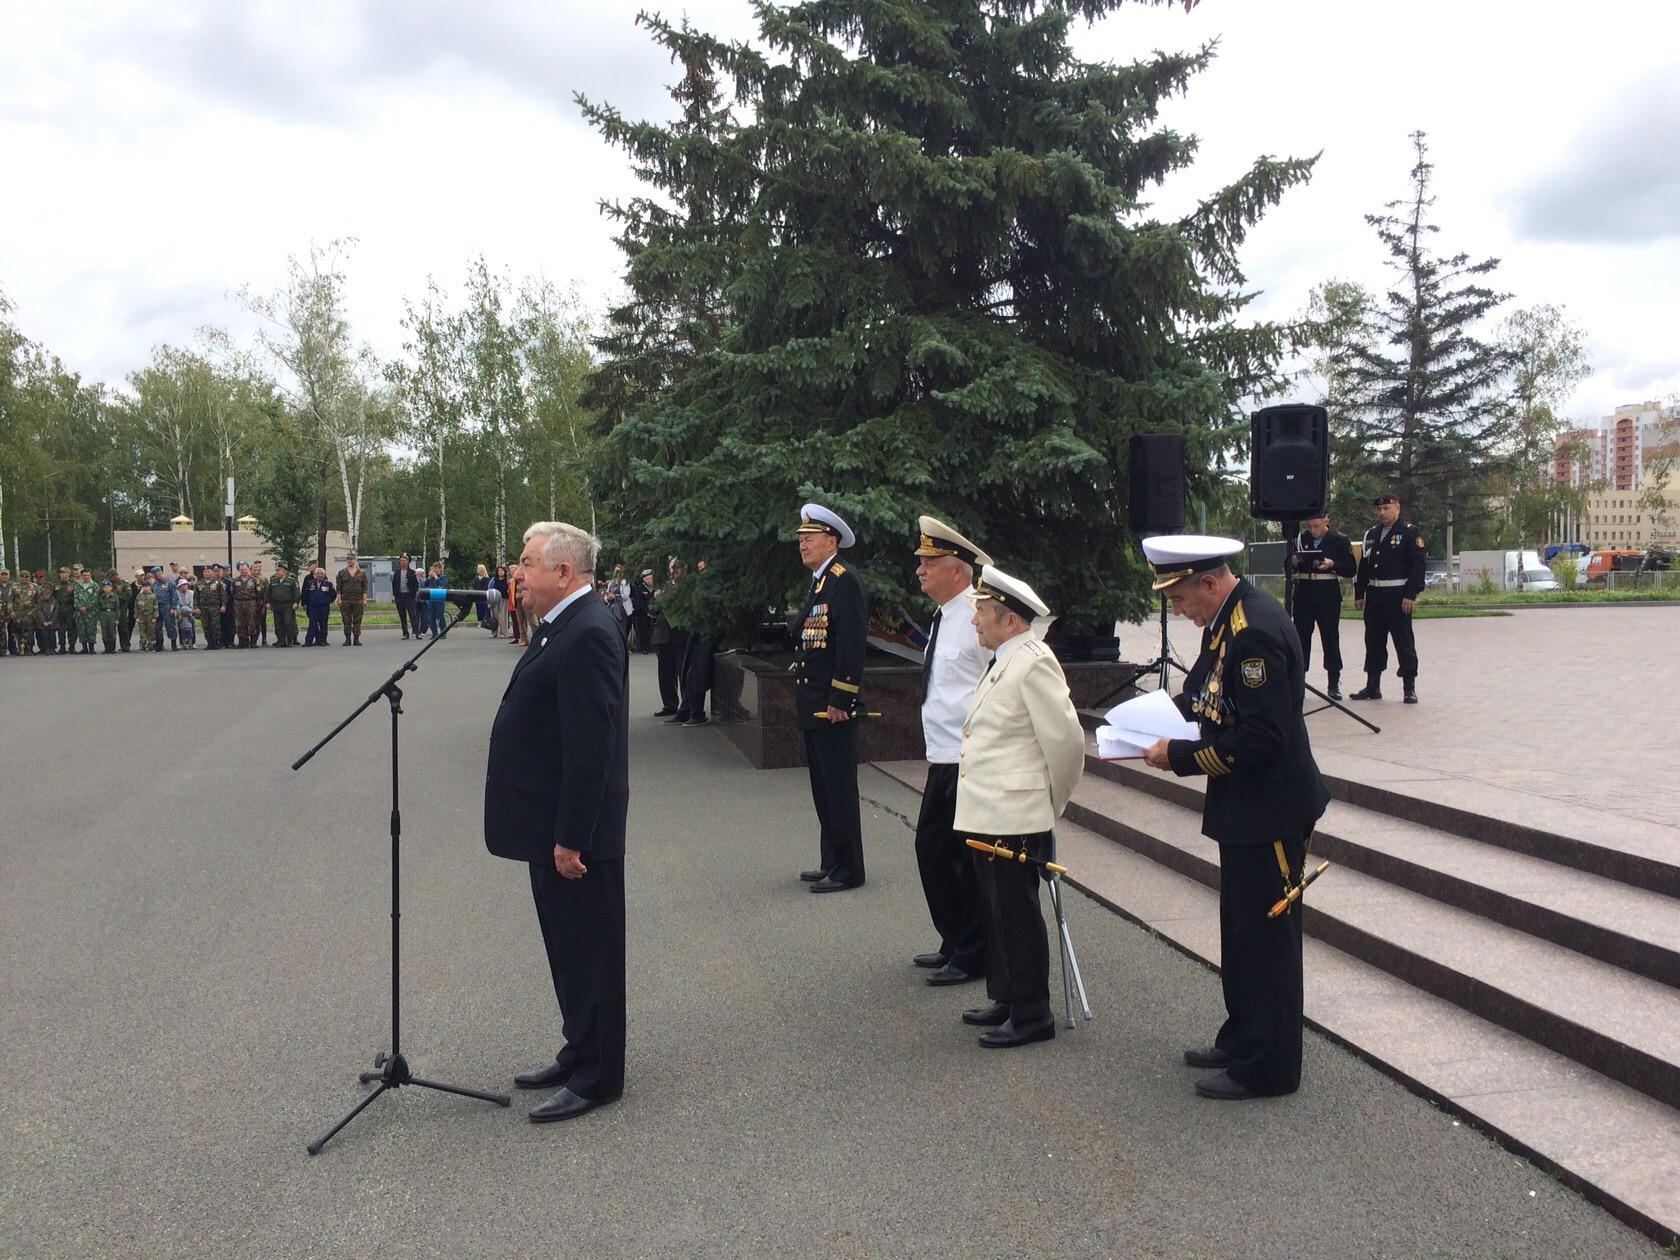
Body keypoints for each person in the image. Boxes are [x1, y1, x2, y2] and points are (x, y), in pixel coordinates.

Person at [1140, 535, 1329, 1100]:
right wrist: (1143, 723)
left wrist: (1175, 756)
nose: (1176, 609)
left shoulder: (1253, 631)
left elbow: (1263, 738)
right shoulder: (1227, 621)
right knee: (1242, 930)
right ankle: (1244, 1035)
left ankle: (1268, 1068)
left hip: (1270, 807)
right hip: (1246, 805)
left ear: (1208, 581)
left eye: (1176, 596)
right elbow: (1201, 693)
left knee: (1266, 937)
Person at [486, 520, 629, 1124]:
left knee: (590, 950)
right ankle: (578, 1050)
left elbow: (591, 749)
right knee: (566, 947)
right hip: (549, 827)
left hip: (576, 835)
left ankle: (598, 1076)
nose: (517, 572)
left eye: (526, 562)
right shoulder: (559, 626)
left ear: (563, 572)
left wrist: (572, 837)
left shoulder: (589, 631)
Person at [954, 566, 1085, 1048]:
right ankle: (1007, 996)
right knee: (996, 909)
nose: (975, 622)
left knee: (1017, 913)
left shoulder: (1033, 661)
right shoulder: (1005, 659)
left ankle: (1032, 1014)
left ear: (1010, 620)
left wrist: (1050, 805)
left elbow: (1067, 743)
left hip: (1014, 812)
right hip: (989, 810)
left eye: (983, 613)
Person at [910, 517, 996, 987]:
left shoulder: (978, 615)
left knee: (952, 855)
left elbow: (1000, 676)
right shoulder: (945, 614)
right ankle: (956, 939)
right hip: (942, 755)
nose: (919, 571)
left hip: (966, 757)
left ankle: (972, 950)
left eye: (929, 563)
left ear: (958, 571)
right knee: (936, 850)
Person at [791, 504, 869, 893]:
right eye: (801, 537)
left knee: (838, 786)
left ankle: (849, 868)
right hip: (815, 700)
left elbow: (851, 644)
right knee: (823, 787)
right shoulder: (821, 582)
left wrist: (842, 696)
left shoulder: (844, 580)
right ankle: (831, 860)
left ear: (831, 541)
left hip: (832, 705)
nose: (802, 543)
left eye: (810, 537)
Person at [1351, 493, 1427, 704]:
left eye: (1386, 509)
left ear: (1397, 508)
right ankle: (1373, 686)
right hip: (1375, 596)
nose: (1382, 513)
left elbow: (1417, 567)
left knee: (1403, 641)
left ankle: (1409, 687)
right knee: (1373, 641)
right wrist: (1359, 592)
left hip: (1398, 596)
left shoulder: (1409, 533)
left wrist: (1410, 594)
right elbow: (1364, 566)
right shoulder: (1373, 534)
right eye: (1379, 510)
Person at [1290, 512, 1357, 699]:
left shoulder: (1339, 540)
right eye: (1310, 526)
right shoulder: (1299, 539)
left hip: (1327, 595)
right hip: (1304, 595)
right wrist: (1293, 562)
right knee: (1301, 640)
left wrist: (1332, 564)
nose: (1313, 530)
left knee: (1330, 639)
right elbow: (1286, 565)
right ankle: (1298, 682)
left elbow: (1351, 569)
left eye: (1316, 526)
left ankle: (1333, 683)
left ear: (1326, 520)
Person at [652, 562, 689, 719]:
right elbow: (651, 608)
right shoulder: (663, 587)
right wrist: (657, 600)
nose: (675, 571)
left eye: (679, 567)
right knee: (665, 673)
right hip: (663, 635)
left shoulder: (688, 587)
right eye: (673, 568)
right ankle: (669, 704)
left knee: (683, 672)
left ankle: (687, 706)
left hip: (680, 636)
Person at [337, 554, 368, 646]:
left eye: (351, 559)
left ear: (355, 560)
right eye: (348, 560)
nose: (350, 561)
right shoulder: (342, 573)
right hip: (345, 600)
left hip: (358, 600)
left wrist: (365, 600)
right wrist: (339, 599)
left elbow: (365, 588)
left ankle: (356, 639)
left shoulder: (362, 573)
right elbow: (339, 588)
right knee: (346, 620)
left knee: (357, 620)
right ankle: (347, 639)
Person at [303, 564, 336, 647]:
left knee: (323, 624)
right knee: (312, 624)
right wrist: (306, 603)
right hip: (313, 607)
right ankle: (308, 641)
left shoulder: (328, 584)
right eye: (318, 573)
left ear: (324, 575)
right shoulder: (310, 583)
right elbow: (306, 594)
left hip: (324, 607)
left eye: (321, 573)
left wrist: (327, 601)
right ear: (315, 575)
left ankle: (323, 641)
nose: (320, 575)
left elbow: (333, 595)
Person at [268, 562, 299, 646]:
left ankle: (289, 640)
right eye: (276, 570)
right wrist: (268, 602)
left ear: (284, 571)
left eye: (278, 570)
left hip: (288, 605)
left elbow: (296, 592)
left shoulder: (291, 581)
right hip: (276, 605)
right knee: (278, 623)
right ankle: (281, 640)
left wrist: (296, 602)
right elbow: (268, 593)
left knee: (288, 622)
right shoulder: (273, 581)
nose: (277, 572)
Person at [194, 567, 224, 650]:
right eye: (205, 572)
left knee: (215, 626)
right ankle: (209, 643)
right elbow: (196, 597)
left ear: (212, 572)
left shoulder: (217, 583)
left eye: (208, 571)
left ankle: (216, 643)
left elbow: (223, 595)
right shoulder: (199, 583)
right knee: (206, 625)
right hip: (203, 608)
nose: (207, 573)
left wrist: (223, 605)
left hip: (214, 608)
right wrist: (196, 607)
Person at [232, 561, 260, 647]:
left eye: (245, 569)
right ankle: (242, 641)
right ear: (239, 570)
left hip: (250, 603)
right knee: (240, 623)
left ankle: (253, 641)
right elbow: (232, 592)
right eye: (241, 569)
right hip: (239, 603)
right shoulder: (235, 580)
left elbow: (258, 593)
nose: (243, 571)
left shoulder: (254, 580)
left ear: (248, 569)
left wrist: (257, 605)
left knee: (252, 622)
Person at [393, 553, 420, 640]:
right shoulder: (396, 572)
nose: (402, 562)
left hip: (409, 596)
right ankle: (405, 633)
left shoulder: (412, 572)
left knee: (413, 615)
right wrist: (396, 595)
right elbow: (394, 584)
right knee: (402, 616)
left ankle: (416, 633)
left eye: (404, 560)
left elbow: (416, 585)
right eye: (401, 560)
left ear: (408, 562)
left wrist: (414, 594)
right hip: (399, 596)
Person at [151, 570, 180, 652]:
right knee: (157, 627)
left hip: (167, 606)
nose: (159, 575)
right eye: (157, 574)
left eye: (160, 573)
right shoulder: (154, 584)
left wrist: (173, 607)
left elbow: (175, 595)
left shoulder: (169, 582)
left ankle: (174, 645)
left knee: (170, 625)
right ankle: (159, 645)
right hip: (157, 607)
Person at [629, 570, 654, 653]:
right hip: (643, 612)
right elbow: (639, 601)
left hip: (654, 611)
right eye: (647, 579)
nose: (649, 580)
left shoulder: (654, 588)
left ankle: (651, 646)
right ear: (644, 580)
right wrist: (646, 611)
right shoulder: (640, 588)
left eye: (650, 578)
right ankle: (644, 647)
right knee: (644, 630)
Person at [423, 562, 448, 639]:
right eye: (434, 568)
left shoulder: (443, 576)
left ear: (440, 569)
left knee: (440, 616)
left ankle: (443, 633)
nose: (435, 570)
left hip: (440, 598)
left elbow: (441, 585)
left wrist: (436, 577)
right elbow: (425, 584)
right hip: (431, 598)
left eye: (436, 568)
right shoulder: (431, 578)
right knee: (431, 616)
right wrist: (428, 577)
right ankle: (434, 633)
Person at [96, 579, 121, 653]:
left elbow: (117, 608)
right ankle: (106, 648)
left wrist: (117, 618)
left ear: (111, 588)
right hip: (103, 614)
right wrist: (98, 618)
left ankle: (112, 648)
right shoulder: (101, 597)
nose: (106, 588)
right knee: (105, 631)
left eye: (108, 587)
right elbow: (98, 607)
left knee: (112, 631)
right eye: (105, 587)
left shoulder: (114, 596)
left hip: (112, 614)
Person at [134, 578, 157, 653]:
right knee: (142, 631)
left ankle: (151, 645)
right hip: (141, 616)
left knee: (151, 631)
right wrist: (136, 617)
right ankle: (143, 645)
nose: (145, 588)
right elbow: (136, 607)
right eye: (144, 586)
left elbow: (155, 607)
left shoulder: (153, 596)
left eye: (147, 586)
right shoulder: (139, 596)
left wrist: (154, 617)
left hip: (150, 616)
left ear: (150, 587)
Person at [251, 560, 270, 646]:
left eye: (259, 567)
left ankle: (264, 639)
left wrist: (266, 603)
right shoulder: (250, 578)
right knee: (253, 621)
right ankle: (253, 639)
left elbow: (267, 591)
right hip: (251, 602)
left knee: (262, 621)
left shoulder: (264, 578)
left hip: (261, 601)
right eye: (255, 567)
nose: (257, 569)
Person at [490, 564, 511, 638]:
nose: (501, 572)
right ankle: (494, 632)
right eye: (499, 571)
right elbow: (490, 590)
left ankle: (504, 632)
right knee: (495, 616)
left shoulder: (507, 579)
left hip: (504, 599)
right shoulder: (493, 580)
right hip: (495, 599)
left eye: (502, 571)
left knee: (504, 616)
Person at [175, 578, 196, 648]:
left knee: (191, 623)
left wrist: (190, 613)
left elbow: (192, 604)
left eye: (185, 585)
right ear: (179, 586)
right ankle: (182, 643)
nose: (184, 586)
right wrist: (180, 613)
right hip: (180, 613)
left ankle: (193, 643)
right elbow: (177, 605)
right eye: (182, 585)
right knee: (180, 625)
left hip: (190, 612)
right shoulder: (176, 594)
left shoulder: (191, 593)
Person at [473, 563, 492, 630]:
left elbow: (486, 587)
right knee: (478, 609)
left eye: (478, 568)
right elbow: (474, 587)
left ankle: (485, 620)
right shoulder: (476, 579)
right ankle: (479, 621)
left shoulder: (487, 579)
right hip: (477, 596)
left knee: (484, 608)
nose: (477, 570)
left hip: (484, 596)